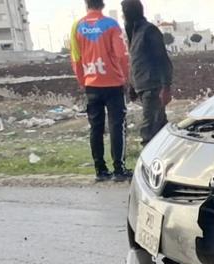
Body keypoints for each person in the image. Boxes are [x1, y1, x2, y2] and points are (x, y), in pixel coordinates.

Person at [70, 0, 131, 182]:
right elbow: (122, 55)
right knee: (117, 126)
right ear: (102, 4)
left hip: (91, 84)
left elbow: (75, 57)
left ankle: (100, 170)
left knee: (96, 128)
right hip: (113, 83)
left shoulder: (77, 26)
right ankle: (119, 169)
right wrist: (125, 78)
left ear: (86, 4)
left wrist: (82, 80)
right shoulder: (111, 25)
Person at [121, 0, 173, 145]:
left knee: (148, 131)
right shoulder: (134, 33)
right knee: (160, 129)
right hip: (143, 87)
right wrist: (132, 85)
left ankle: (148, 158)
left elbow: (163, 59)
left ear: (129, 14)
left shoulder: (149, 31)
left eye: (123, 14)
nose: (122, 17)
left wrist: (166, 87)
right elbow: (136, 61)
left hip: (153, 88)